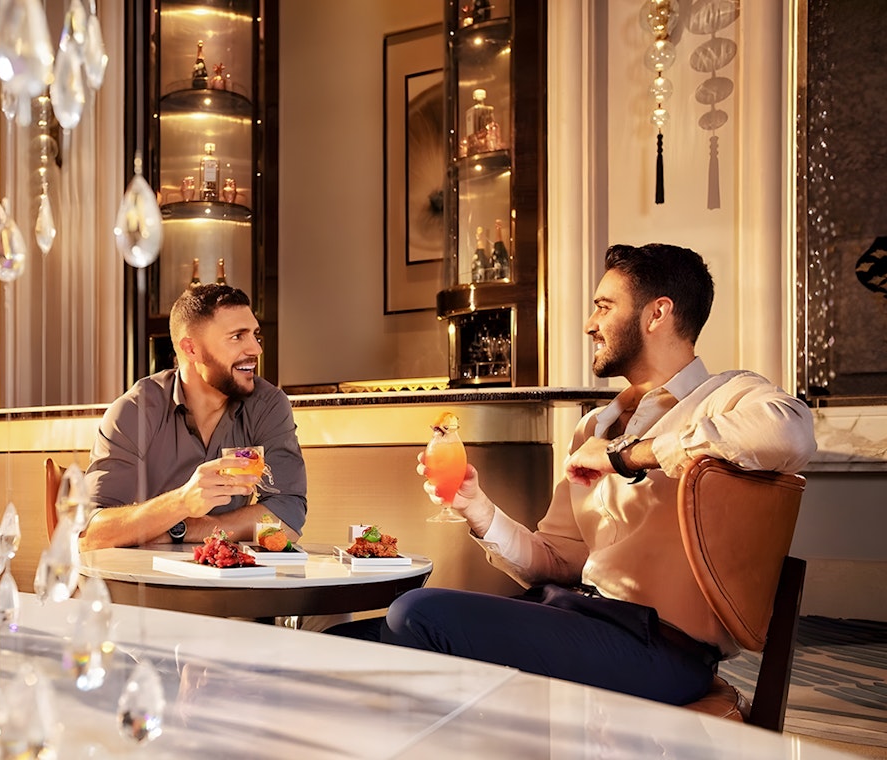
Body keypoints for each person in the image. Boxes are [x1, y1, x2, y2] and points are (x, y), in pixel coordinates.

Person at [331, 243, 816, 706]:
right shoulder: (593, 427)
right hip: (569, 616)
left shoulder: (727, 397)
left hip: (659, 649)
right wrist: (477, 509)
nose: (590, 324)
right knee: (340, 646)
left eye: (604, 307)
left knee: (418, 613)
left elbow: (791, 435)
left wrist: (631, 457)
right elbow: (555, 561)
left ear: (657, 313)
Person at [82, 284, 307, 549]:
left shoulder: (267, 405)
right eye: (237, 336)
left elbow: (288, 514)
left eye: (254, 335)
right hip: (143, 583)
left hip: (230, 583)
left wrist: (181, 529)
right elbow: (91, 534)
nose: (256, 349)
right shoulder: (135, 410)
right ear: (190, 349)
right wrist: (181, 502)